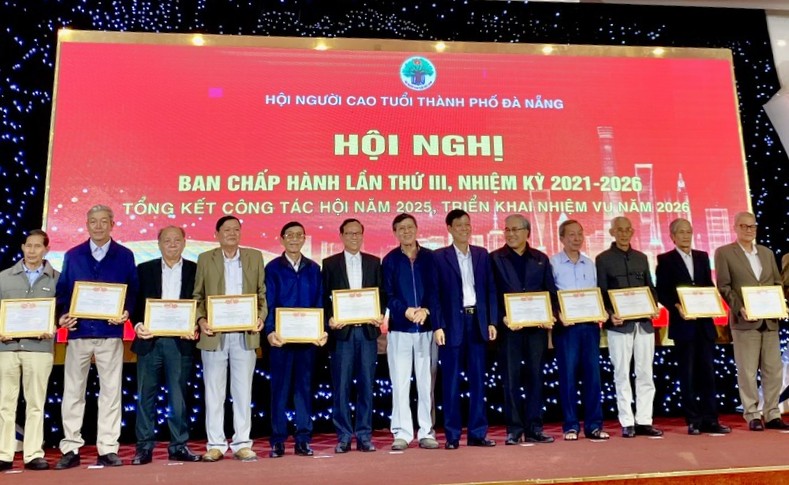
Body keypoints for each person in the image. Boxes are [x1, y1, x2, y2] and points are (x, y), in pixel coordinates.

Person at [55, 205, 139, 469]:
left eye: (104, 221)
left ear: (113, 224)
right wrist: (62, 315)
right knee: (73, 392)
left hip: (110, 333)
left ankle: (108, 447)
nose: (99, 226)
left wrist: (126, 311)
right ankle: (71, 447)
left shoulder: (125, 255)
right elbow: (63, 291)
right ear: (87, 224)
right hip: (78, 332)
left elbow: (133, 291)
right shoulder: (73, 255)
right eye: (94, 221)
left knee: (111, 392)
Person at [194, 215, 266, 462]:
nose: (232, 233)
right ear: (216, 234)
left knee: (243, 391)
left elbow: (262, 294)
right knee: (214, 392)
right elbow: (197, 296)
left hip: (245, 334)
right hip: (214, 335)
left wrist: (260, 317)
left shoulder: (254, 257)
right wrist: (201, 320)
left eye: (236, 229)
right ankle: (215, 444)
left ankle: (242, 443)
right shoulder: (205, 259)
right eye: (227, 230)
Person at [130, 226, 201, 465]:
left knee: (179, 397)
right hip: (149, 341)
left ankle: (179, 445)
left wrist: (196, 324)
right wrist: (138, 324)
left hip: (181, 343)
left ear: (184, 243)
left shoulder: (195, 270)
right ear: (159, 244)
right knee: (145, 396)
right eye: (167, 240)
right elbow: (134, 302)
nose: (172, 244)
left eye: (176, 240)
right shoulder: (144, 269)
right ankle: (144, 447)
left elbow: (201, 303)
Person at [655, 218, 730, 436]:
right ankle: (693, 420)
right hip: (683, 325)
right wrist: (676, 306)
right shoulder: (665, 260)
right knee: (687, 374)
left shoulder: (702, 256)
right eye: (681, 232)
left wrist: (713, 302)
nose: (685, 236)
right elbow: (662, 291)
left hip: (704, 324)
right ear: (672, 236)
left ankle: (711, 419)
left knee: (708, 373)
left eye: (688, 231)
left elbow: (708, 286)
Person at [714, 211, 788, 431]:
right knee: (747, 371)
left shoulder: (766, 253)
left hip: (770, 321)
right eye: (744, 226)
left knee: (773, 370)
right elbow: (724, 286)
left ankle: (772, 413)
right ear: (735, 228)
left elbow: (776, 283)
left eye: (752, 226)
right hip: (744, 321)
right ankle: (752, 414)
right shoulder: (724, 253)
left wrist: (779, 304)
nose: (749, 230)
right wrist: (740, 308)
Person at [433, 209, 497, 450]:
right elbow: (434, 295)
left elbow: (490, 289)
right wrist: (438, 325)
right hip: (451, 326)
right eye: (459, 225)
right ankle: (452, 436)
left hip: (477, 323)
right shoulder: (439, 257)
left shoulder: (482, 254)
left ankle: (478, 433)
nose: (464, 229)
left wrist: (491, 321)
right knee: (450, 383)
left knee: (478, 381)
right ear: (449, 228)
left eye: (467, 224)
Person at [491, 214, 556, 445]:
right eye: (507, 230)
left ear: (527, 232)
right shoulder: (494, 258)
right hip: (509, 328)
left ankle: (535, 428)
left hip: (536, 329)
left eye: (515, 229)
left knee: (535, 378)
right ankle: (514, 429)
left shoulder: (540, 258)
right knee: (511, 379)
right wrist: (501, 317)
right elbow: (490, 293)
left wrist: (549, 315)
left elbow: (550, 292)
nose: (510, 234)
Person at [265, 221, 327, 458]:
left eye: (298, 235)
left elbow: (319, 302)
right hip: (280, 341)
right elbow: (269, 303)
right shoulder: (272, 268)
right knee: (279, 391)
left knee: (304, 390)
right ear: (281, 239)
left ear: (304, 239)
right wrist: (270, 331)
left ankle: (303, 439)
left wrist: (321, 329)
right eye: (289, 235)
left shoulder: (314, 268)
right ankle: (278, 440)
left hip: (307, 341)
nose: (294, 239)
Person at [596, 216, 661, 438]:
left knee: (645, 373)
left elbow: (650, 288)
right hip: (619, 326)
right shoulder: (603, 259)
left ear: (632, 232)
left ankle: (644, 420)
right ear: (612, 232)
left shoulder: (641, 258)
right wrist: (609, 313)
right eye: (619, 230)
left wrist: (653, 305)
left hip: (644, 324)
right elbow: (601, 291)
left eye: (627, 230)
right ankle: (627, 421)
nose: (624, 234)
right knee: (621, 373)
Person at [323, 219, 384, 454]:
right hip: (342, 334)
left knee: (367, 385)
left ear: (363, 235)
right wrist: (330, 318)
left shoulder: (374, 262)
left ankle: (365, 435)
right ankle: (344, 436)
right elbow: (323, 297)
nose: (354, 237)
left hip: (367, 333)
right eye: (349, 233)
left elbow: (382, 294)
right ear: (341, 236)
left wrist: (380, 313)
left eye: (358, 233)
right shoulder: (330, 264)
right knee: (341, 387)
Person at [0, 230, 59, 471]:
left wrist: (54, 326)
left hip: (40, 349)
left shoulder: (57, 279)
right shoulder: (4, 277)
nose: (32, 250)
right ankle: (3, 453)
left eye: (38, 246)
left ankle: (33, 454)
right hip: (6, 348)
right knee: (5, 404)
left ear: (46, 249)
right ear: (23, 247)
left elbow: (62, 313)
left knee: (36, 403)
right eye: (29, 245)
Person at [382, 213, 439, 451]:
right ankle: (402, 433)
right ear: (395, 233)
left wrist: (426, 310)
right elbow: (387, 294)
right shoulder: (390, 260)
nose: (406, 232)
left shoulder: (431, 258)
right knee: (400, 382)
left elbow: (437, 290)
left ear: (416, 229)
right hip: (400, 329)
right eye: (401, 229)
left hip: (426, 327)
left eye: (409, 227)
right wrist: (404, 311)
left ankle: (426, 431)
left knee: (426, 383)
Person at [550, 220, 609, 441]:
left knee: (593, 377)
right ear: (561, 238)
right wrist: (558, 314)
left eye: (580, 234)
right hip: (567, 328)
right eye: (571, 235)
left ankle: (594, 425)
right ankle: (571, 426)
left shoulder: (589, 263)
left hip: (590, 326)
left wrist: (602, 311)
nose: (576, 239)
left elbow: (596, 293)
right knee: (568, 377)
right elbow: (550, 294)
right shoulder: (553, 263)